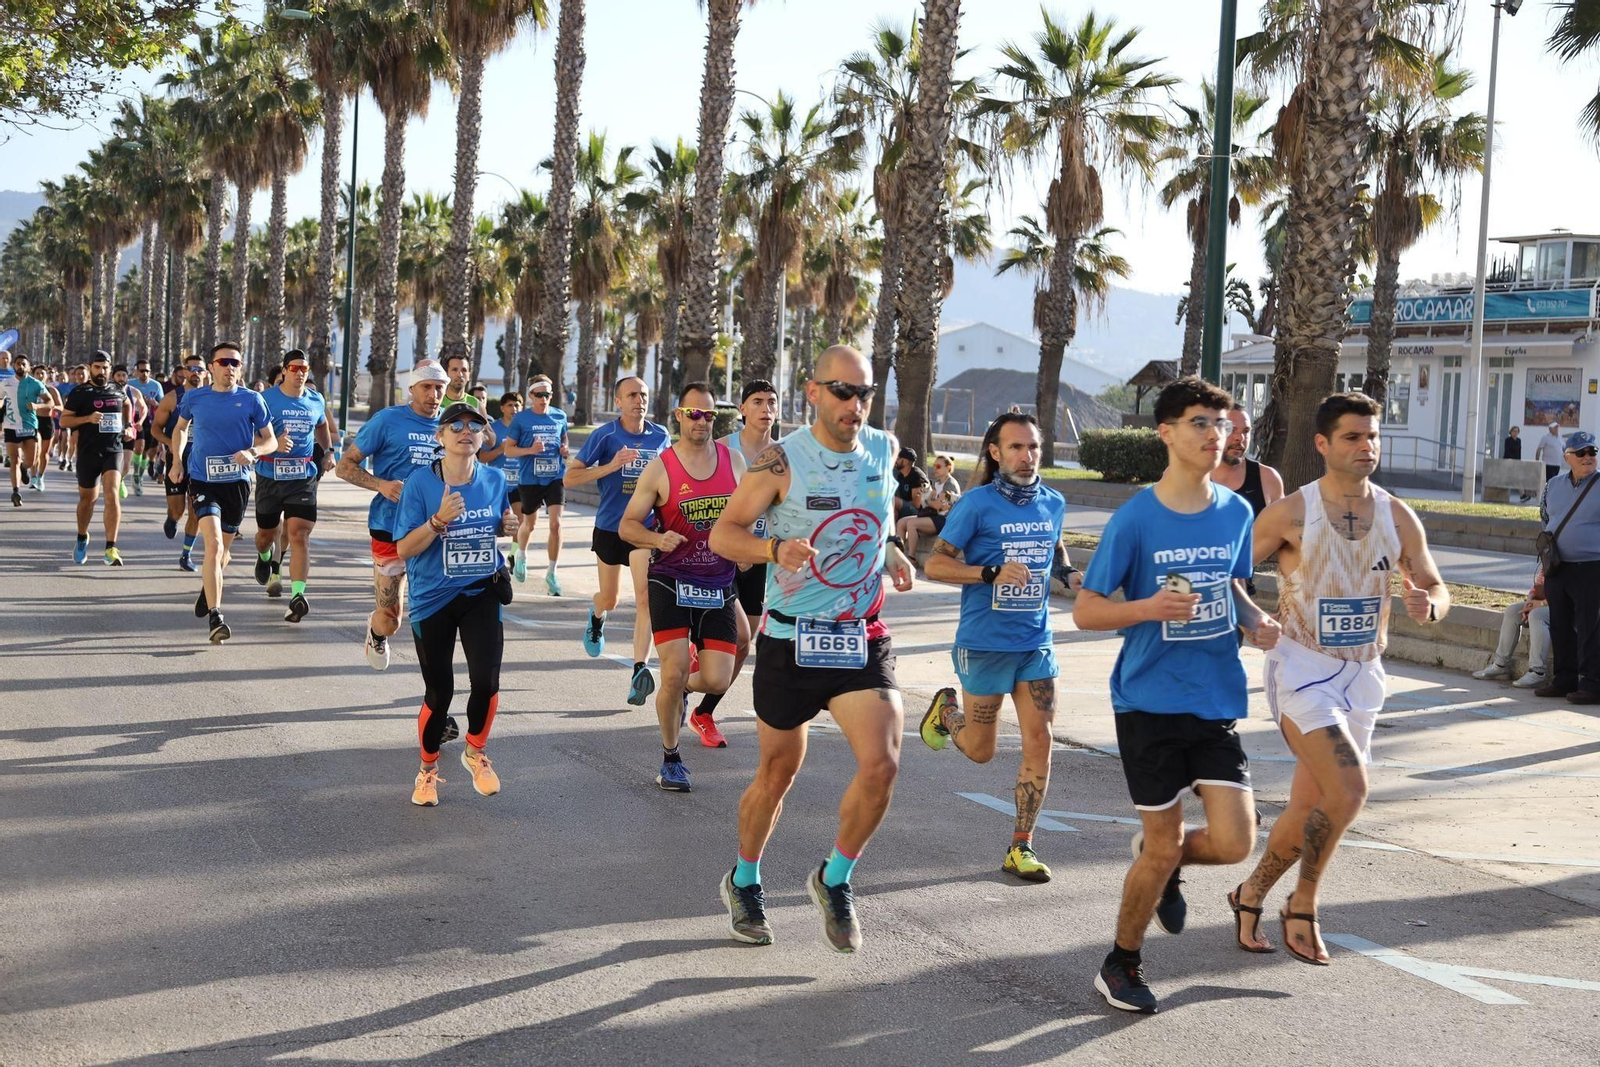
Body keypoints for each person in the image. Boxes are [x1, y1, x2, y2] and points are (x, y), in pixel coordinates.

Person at [1073, 376, 1280, 1014]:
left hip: (1215, 697)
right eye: (1199, 423)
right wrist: (1149, 607)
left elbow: (1232, 584)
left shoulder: (1237, 511)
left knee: (1237, 842)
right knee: (1163, 841)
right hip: (1149, 701)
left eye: (1221, 425)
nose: (1214, 436)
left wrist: (1254, 620)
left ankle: (1160, 864)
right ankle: (1121, 963)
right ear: (1165, 432)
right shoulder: (1136, 518)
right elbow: (1086, 610)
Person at [708, 344, 915, 952]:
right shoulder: (779, 462)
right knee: (778, 772)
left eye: (865, 394)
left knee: (883, 765)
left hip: (859, 634)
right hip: (793, 638)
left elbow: (872, 520)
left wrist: (893, 553)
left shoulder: (885, 448)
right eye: (843, 392)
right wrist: (775, 551)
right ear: (813, 392)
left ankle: (835, 877)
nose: (856, 406)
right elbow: (726, 533)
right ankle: (744, 879)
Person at [1231, 392, 1448, 969]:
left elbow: (1434, 584)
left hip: (1365, 674)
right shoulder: (1290, 515)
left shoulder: (1397, 515)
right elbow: (1225, 577)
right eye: (1353, 437)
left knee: (1310, 808)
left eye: (1372, 436)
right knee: (1349, 791)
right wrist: (1252, 621)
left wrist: (1431, 604)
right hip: (1301, 669)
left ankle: (1249, 893)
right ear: (1323, 444)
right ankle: (1303, 904)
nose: (1366, 447)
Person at [921, 413, 1077, 882]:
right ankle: (946, 712)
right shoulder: (976, 505)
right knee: (981, 751)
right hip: (984, 643)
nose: (1026, 457)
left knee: (1041, 740)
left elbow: (1056, 545)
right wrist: (988, 572)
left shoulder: (1052, 501)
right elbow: (936, 565)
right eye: (1015, 447)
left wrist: (1067, 573)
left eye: (1033, 447)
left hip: (1034, 642)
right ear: (995, 452)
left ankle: (1021, 846)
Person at [620, 382, 749, 789]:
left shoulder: (736, 462)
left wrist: (749, 547)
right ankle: (671, 759)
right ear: (679, 415)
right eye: (694, 414)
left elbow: (749, 515)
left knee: (716, 680)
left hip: (718, 583)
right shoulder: (661, 467)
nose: (702, 422)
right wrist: (657, 539)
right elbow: (627, 525)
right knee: (672, 673)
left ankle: (681, 693)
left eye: (709, 415)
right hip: (671, 580)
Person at [394, 401, 515, 806]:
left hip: (481, 591)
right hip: (432, 598)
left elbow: (501, 529)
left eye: (474, 426)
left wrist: (509, 527)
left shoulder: (495, 479)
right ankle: (427, 770)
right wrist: (437, 521)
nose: (466, 431)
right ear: (440, 436)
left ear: (483, 436)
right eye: (456, 425)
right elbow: (404, 547)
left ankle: (476, 751)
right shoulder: (419, 484)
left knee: (487, 681)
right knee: (439, 691)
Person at [565, 374, 670, 705]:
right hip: (611, 528)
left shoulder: (661, 436)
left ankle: (640, 669)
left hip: (644, 529)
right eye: (632, 394)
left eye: (643, 394)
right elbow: (570, 478)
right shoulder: (605, 435)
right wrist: (612, 465)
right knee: (609, 598)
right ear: (618, 401)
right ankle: (597, 617)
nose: (639, 400)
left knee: (643, 599)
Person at [337, 363, 448, 670]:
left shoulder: (452, 426)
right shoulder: (388, 421)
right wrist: (380, 484)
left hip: (438, 530)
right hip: (390, 527)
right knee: (391, 619)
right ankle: (376, 631)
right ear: (411, 389)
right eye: (426, 386)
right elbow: (344, 466)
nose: (433, 394)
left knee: (437, 611)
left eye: (439, 387)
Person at [168, 342, 277, 643]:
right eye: (224, 362)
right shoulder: (194, 398)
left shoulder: (252, 399)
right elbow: (179, 429)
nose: (230, 367)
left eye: (235, 363)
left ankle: (208, 586)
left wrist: (254, 451)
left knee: (223, 552)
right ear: (212, 366)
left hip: (237, 484)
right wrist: (177, 461)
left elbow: (272, 441)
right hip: (203, 481)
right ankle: (216, 616)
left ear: (240, 369)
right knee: (213, 546)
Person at [694, 377, 779, 748]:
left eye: (771, 402)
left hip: (759, 560)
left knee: (746, 643)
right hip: (719, 556)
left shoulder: (784, 455)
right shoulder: (722, 449)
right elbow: (702, 496)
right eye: (757, 401)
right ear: (742, 409)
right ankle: (690, 671)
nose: (766, 409)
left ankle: (704, 711)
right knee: (736, 635)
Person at [253, 351, 335, 621]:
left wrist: (329, 451)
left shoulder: (315, 400)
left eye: (304, 368)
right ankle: (265, 557)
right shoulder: (266, 400)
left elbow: (322, 427)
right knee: (267, 534)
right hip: (269, 475)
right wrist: (274, 441)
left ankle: (298, 595)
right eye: (294, 368)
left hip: (303, 476)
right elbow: (250, 434)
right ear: (284, 371)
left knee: (299, 535)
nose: (300, 373)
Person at [1534, 429, 1600, 704]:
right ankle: (1564, 680)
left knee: (1589, 627)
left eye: (1592, 452)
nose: (1588, 457)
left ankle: (1592, 684)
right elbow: (1545, 517)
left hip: (1591, 567)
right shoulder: (1553, 485)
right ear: (1567, 457)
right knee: (1559, 626)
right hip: (1558, 567)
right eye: (1581, 453)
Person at [59, 352, 136, 566]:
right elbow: (64, 421)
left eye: (105, 368)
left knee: (112, 495)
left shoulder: (117, 389)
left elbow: (127, 405)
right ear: (90, 367)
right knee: (87, 501)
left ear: (110, 369)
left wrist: (128, 424)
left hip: (114, 449)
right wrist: (88, 418)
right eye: (97, 367)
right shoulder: (80, 392)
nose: (101, 372)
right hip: (88, 453)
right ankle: (82, 537)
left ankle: (111, 548)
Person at [504, 375, 570, 596]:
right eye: (539, 395)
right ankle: (521, 554)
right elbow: (508, 450)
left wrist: (564, 450)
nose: (544, 399)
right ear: (531, 395)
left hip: (555, 477)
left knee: (556, 525)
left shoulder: (559, 415)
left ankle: (552, 574)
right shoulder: (521, 419)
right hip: (530, 479)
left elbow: (564, 439)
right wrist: (529, 450)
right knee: (529, 525)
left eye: (548, 395)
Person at [151, 355, 208, 569]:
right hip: (177, 458)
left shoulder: (211, 396)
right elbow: (156, 428)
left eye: (200, 369)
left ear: (206, 372)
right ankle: (172, 518)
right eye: (192, 368)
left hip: (201, 462)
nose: (196, 373)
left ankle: (186, 554)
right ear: (184, 371)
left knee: (197, 509)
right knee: (177, 509)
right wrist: (172, 445)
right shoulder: (172, 398)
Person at [1473, 569, 1550, 689]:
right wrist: (1529, 602)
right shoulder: (1549, 555)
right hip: (1543, 603)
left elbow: (1569, 593)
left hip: (1565, 606)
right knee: (1513, 611)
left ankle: (1537, 672)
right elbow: (1537, 587)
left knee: (1536, 615)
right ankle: (1500, 665)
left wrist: (1540, 604)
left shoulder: (1572, 557)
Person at [1210, 407, 1284, 517]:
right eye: (1231, 429)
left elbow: (1282, 529)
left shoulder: (1267, 478)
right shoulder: (1192, 477)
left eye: (1246, 431)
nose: (1240, 438)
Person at [2, 354, 52, 507]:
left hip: (29, 426)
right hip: (11, 426)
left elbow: (49, 401)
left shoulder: (36, 384)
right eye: (17, 364)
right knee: (14, 460)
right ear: (14, 366)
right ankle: (16, 491)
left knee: (30, 461)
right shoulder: (6, 383)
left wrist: (37, 406)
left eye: (23, 364)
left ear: (28, 367)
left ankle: (25, 468)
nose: (20, 366)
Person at [479, 391, 524, 560]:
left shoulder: (524, 428)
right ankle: (489, 552)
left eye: (518, 405)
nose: (514, 409)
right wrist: (500, 449)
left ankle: (514, 554)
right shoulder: (495, 429)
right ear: (502, 408)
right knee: (495, 521)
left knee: (519, 520)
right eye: (510, 405)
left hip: (519, 482)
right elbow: (482, 458)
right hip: (498, 483)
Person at [895, 452, 961, 563]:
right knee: (901, 522)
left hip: (944, 520)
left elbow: (937, 506)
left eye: (938, 466)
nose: (935, 469)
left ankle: (912, 558)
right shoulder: (936, 483)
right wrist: (929, 500)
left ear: (948, 467)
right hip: (932, 516)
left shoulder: (950, 484)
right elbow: (927, 503)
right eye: (934, 466)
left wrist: (928, 500)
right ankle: (898, 557)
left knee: (912, 524)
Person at [130, 359, 168, 489]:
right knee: (139, 447)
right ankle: (136, 473)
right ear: (136, 371)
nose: (144, 373)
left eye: (147, 371)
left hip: (151, 419)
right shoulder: (131, 384)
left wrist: (155, 403)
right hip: (136, 418)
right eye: (142, 371)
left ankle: (140, 474)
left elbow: (163, 405)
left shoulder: (156, 385)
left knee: (148, 450)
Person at [29, 362, 62, 492]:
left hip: (47, 422)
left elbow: (61, 407)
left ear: (46, 375)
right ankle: (32, 477)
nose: (39, 375)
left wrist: (51, 406)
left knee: (43, 453)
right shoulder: (29, 389)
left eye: (42, 373)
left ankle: (40, 476)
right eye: (37, 373)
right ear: (33, 375)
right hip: (32, 421)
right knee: (34, 451)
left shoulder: (51, 390)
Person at [892, 446, 929, 522]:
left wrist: (899, 503)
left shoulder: (916, 476)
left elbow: (917, 504)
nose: (895, 460)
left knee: (893, 500)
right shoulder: (901, 476)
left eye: (898, 458)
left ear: (905, 461)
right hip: (906, 509)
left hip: (919, 513)